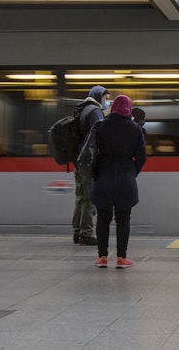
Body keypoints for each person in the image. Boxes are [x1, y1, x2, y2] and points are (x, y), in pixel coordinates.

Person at [87, 95, 147, 268]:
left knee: (103, 217)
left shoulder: (100, 125)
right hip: (126, 174)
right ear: (129, 108)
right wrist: (132, 171)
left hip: (103, 174)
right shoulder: (135, 128)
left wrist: (96, 170)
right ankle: (121, 258)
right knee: (123, 218)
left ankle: (102, 257)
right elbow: (142, 156)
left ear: (113, 107)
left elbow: (91, 151)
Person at [71, 85, 110, 246]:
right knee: (90, 197)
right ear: (98, 96)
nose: (107, 102)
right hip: (88, 161)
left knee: (80, 197)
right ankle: (86, 233)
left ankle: (77, 231)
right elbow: (99, 135)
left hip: (78, 159)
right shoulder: (94, 111)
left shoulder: (83, 109)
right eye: (106, 98)